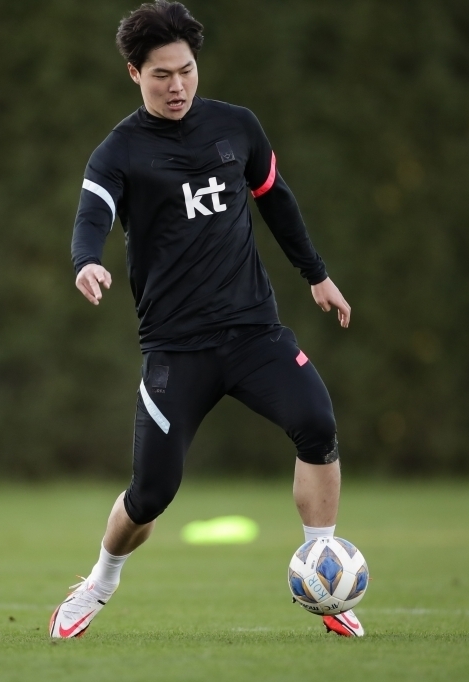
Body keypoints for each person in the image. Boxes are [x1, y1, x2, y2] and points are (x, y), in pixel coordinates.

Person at [49, 1, 363, 639]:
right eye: (161, 74)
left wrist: (317, 275)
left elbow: (277, 200)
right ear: (133, 74)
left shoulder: (237, 127)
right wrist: (86, 260)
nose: (177, 85)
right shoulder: (119, 150)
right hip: (176, 350)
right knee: (151, 495)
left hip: (254, 333)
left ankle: (323, 569)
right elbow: (93, 214)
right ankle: (99, 582)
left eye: (186, 70)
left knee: (317, 423)